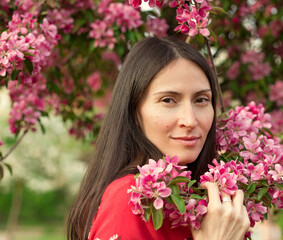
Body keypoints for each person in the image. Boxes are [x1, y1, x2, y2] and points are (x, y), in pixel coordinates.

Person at [67, 37, 250, 240]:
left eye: (201, 100)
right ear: (135, 111)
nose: (190, 120)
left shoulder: (202, 200)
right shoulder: (133, 200)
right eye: (168, 100)